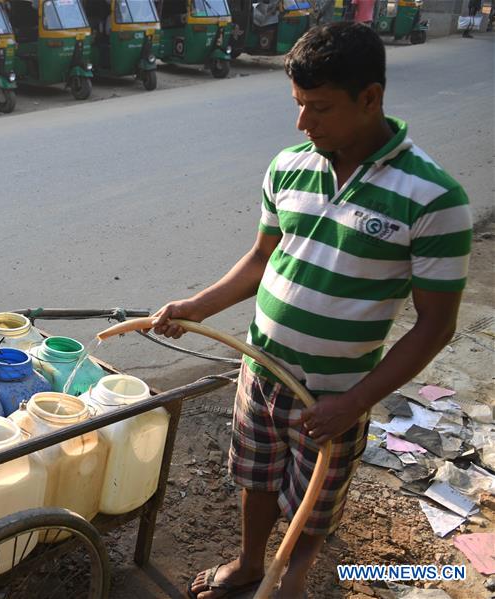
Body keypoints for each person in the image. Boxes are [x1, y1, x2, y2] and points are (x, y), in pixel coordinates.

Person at [151, 22, 473, 599]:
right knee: (254, 476)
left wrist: (354, 402)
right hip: (262, 368)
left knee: (316, 497)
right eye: (298, 103)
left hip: (337, 392)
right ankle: (251, 563)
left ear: (370, 98)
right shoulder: (289, 165)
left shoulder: (434, 199)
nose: (303, 122)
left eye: (319, 107)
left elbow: (435, 325)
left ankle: (291, 578)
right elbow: (261, 259)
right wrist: (195, 306)